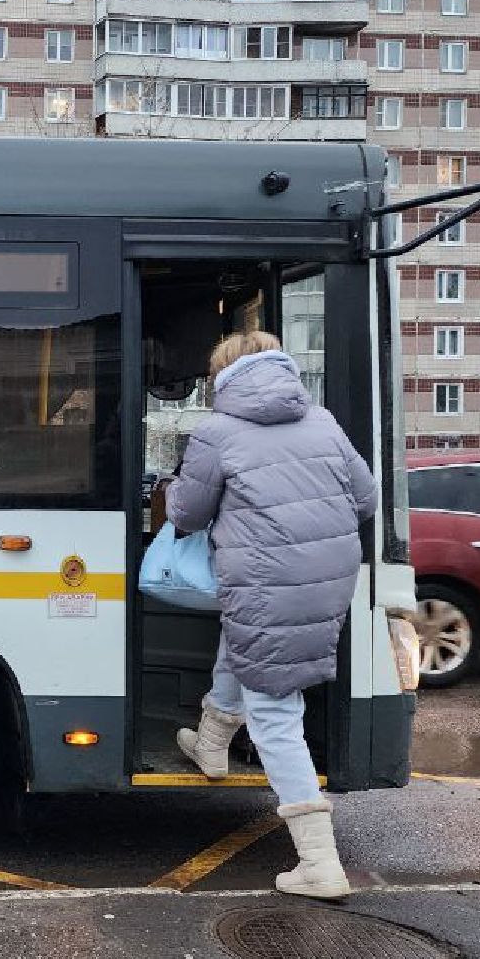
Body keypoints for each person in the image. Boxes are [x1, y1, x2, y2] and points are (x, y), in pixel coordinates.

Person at [165, 330, 377, 900]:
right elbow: (367, 499)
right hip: (329, 578)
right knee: (246, 647)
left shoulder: (217, 432)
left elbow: (185, 511)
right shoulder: (324, 422)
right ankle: (210, 743)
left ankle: (319, 862)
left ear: (222, 377)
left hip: (265, 581)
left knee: (275, 710)